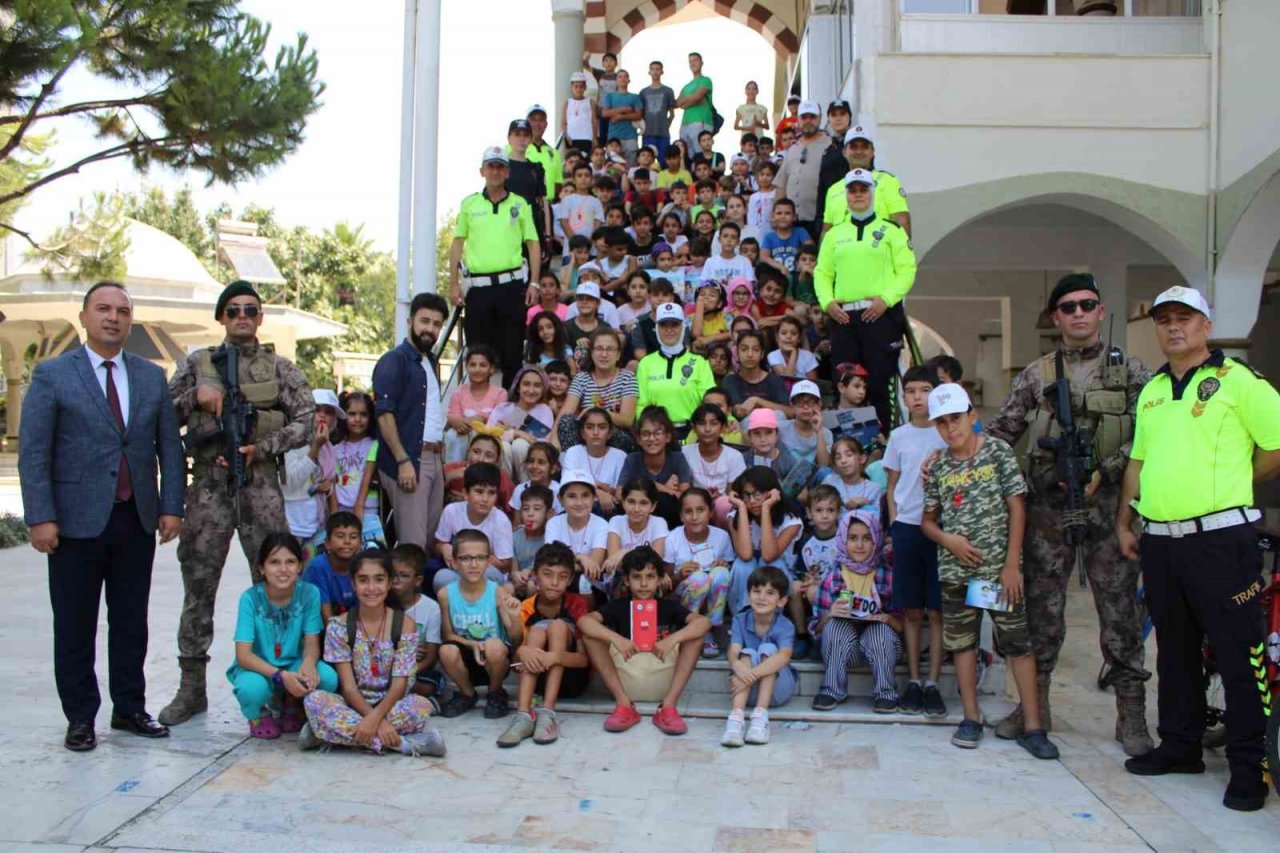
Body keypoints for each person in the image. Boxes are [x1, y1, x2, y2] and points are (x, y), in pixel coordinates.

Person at [1116, 286, 1280, 812]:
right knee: (1176, 651)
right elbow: (1138, 462)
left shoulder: (1241, 383)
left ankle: (1249, 768)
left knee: (1240, 655)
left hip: (1222, 542)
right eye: (1163, 320)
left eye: (1184, 318)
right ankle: (1180, 747)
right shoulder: (1153, 391)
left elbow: (1275, 446)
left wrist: (1234, 486)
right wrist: (1125, 519)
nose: (1173, 328)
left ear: (1206, 326)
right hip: (1162, 541)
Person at [985, 273, 1153, 756]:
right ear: (1056, 317)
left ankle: (1131, 716)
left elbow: (1148, 436)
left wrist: (1108, 470)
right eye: (1069, 307)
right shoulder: (1037, 375)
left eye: (1087, 305)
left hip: (1111, 510)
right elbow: (1003, 431)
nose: (1079, 313)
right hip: (1049, 510)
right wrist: (961, 452)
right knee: (1042, 613)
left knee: (1119, 612)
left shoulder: (1134, 373)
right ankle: (1033, 710)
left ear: (1101, 311)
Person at [19, 280, 184, 751]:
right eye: (103, 309)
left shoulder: (151, 376)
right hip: (73, 522)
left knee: (132, 620)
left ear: (131, 320)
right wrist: (40, 517)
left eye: (122, 311)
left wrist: (172, 505)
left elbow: (168, 448)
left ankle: (130, 708)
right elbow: (33, 452)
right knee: (75, 622)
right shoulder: (53, 375)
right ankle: (80, 717)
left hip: (135, 518)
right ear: (85, 317)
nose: (113, 317)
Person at [161, 280, 314, 727]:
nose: (242, 316)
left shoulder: (280, 368)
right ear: (222, 317)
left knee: (278, 587)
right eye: (233, 310)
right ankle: (192, 689)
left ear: (260, 317)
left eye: (250, 309)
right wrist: (198, 398)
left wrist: (265, 446)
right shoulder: (197, 364)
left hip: (260, 484)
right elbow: (164, 414)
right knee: (199, 587)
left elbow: (307, 420)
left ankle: (278, 686)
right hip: (209, 486)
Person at [921, 383, 1058, 759]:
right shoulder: (938, 466)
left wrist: (1012, 564)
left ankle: (1033, 725)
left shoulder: (998, 453)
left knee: (1017, 644)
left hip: (996, 574)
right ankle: (971, 716)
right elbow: (928, 522)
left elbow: (1017, 508)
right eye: (943, 423)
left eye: (956, 419)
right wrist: (948, 540)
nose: (951, 428)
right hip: (955, 573)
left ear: (972, 416)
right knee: (962, 645)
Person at [301, 549, 445, 757]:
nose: (371, 588)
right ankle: (404, 744)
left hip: (392, 703)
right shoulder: (339, 626)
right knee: (315, 701)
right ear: (353, 584)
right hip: (353, 704)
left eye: (379, 579)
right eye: (363, 580)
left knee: (420, 706)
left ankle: (326, 735)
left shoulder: (405, 624)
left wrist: (376, 718)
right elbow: (349, 688)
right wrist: (376, 722)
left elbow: (399, 686)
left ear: (388, 583)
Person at [814, 169, 917, 434]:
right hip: (844, 318)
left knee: (881, 382)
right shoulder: (835, 234)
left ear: (872, 193)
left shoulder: (891, 230)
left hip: (881, 315)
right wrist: (828, 303)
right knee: (846, 382)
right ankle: (849, 445)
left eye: (863, 190)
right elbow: (822, 272)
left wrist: (886, 300)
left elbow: (907, 269)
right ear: (846, 195)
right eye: (853, 190)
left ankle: (884, 442)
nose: (858, 195)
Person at [578, 546, 711, 735]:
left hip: (664, 682)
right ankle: (624, 705)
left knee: (695, 635)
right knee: (591, 636)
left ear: (659, 579)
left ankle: (668, 707)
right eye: (636, 577)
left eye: (650, 577)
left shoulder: (668, 607)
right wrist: (616, 639)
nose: (643, 584)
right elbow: (584, 621)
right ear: (626, 580)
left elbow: (703, 622)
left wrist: (672, 639)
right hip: (625, 681)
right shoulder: (618, 607)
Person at [882, 366, 948, 717]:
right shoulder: (899, 436)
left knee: (936, 609)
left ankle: (934, 683)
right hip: (907, 526)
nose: (918, 397)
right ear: (904, 396)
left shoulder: (945, 434)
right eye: (912, 391)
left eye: (925, 390)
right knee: (911, 610)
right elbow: (892, 485)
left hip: (939, 528)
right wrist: (894, 523)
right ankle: (913, 680)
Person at [227, 533, 337, 739]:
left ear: (299, 567)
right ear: (262, 568)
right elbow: (244, 655)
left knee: (328, 678)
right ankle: (258, 713)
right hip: (258, 667)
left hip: (293, 663)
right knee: (251, 689)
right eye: (274, 562)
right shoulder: (250, 599)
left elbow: (312, 642)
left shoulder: (310, 593)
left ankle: (292, 702)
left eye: (290, 562)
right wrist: (280, 675)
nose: (283, 569)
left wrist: (309, 662)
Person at [448, 146, 541, 388]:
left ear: (507, 171)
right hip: (478, 288)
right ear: (482, 171)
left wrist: (534, 281)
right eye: (491, 166)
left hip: (511, 287)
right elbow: (457, 243)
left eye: (500, 166)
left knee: (512, 354)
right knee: (478, 353)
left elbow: (532, 244)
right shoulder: (469, 204)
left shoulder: (520, 204)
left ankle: (508, 411)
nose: (496, 171)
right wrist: (453, 284)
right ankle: (478, 410)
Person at [373, 292, 449, 550]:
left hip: (433, 458)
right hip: (409, 460)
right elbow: (384, 414)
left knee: (429, 542)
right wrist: (403, 461)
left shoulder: (430, 361)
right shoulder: (395, 360)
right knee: (412, 547)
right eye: (424, 321)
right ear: (410, 321)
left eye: (436, 324)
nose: (430, 329)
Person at [497, 543, 594, 747]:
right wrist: (522, 651)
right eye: (548, 574)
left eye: (562, 576)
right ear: (535, 575)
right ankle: (523, 715)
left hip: (571, 680)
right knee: (537, 632)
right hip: (536, 683)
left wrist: (555, 656)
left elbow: (585, 659)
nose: (554, 582)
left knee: (557, 626)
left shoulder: (576, 605)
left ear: (570, 580)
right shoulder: (526, 607)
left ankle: (548, 713)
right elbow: (516, 663)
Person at [808, 510, 903, 713]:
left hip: (881, 650)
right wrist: (831, 613)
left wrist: (886, 619)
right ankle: (831, 689)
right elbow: (816, 629)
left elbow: (904, 624)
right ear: (843, 540)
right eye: (853, 538)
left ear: (876, 540)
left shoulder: (888, 575)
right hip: (846, 651)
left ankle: (885, 692)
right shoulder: (834, 576)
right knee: (835, 626)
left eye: (867, 538)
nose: (859, 545)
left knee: (880, 632)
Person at [436, 530, 523, 719]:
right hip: (466, 659)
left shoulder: (497, 592)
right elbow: (447, 635)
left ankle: (495, 692)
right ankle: (467, 693)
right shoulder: (445, 594)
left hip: (495, 660)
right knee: (446, 651)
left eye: (480, 558)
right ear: (455, 561)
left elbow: (515, 638)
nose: (474, 564)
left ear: (489, 560)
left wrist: (516, 618)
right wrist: (473, 644)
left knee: (493, 646)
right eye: (466, 558)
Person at [721, 565, 796, 747]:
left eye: (770, 593)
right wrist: (737, 666)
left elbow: (784, 656)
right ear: (748, 595)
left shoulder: (785, 625)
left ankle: (760, 719)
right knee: (745, 654)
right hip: (749, 691)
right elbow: (733, 652)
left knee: (769, 650)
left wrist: (749, 676)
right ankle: (736, 720)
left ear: (781, 601)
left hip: (778, 691)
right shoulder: (740, 619)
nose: (762, 597)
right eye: (757, 591)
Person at [727, 467, 804, 620]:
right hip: (748, 577)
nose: (752, 501)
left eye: (757, 494)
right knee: (743, 565)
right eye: (746, 495)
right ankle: (742, 619)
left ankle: (770, 621)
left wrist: (766, 508)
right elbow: (745, 554)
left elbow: (769, 555)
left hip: (780, 573)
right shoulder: (735, 517)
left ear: (771, 493)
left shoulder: (791, 521)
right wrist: (741, 508)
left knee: (769, 563)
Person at [635, 303, 716, 437]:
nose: (669, 330)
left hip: (692, 433)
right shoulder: (645, 363)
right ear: (656, 328)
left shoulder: (699, 362)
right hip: (657, 436)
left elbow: (711, 400)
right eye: (663, 325)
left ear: (683, 327)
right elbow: (641, 405)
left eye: (674, 325)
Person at [433, 462, 515, 592]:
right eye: (479, 491)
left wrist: (474, 558)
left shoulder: (501, 520)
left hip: (486, 572)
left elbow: (505, 565)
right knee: (441, 578)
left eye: (491, 493)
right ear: (465, 493)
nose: (485, 498)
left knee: (489, 575)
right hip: (459, 572)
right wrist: (444, 548)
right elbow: (438, 545)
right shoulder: (451, 511)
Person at [556, 327, 638, 451]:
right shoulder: (582, 378)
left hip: (616, 438)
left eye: (610, 349)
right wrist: (553, 446)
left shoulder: (627, 377)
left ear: (618, 355)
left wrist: (595, 412)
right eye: (599, 349)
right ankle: (577, 463)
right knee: (567, 421)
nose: (604, 354)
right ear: (592, 353)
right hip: (587, 438)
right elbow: (565, 414)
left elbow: (627, 420)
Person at [821, 126, 911, 238]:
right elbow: (826, 232)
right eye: (853, 147)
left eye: (864, 147)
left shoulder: (888, 181)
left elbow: (901, 223)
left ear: (873, 152)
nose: (859, 151)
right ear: (844, 152)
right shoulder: (833, 190)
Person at [772, 102, 845, 237]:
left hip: (821, 222)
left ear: (820, 118)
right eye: (804, 117)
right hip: (792, 224)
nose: (808, 121)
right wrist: (776, 217)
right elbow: (781, 185)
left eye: (812, 117)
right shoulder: (792, 149)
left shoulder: (832, 147)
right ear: (798, 120)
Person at [282, 390, 340, 558]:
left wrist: (327, 487)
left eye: (328, 412)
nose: (322, 416)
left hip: (317, 525)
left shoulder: (328, 448)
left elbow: (329, 482)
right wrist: (314, 449)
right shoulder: (293, 441)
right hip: (293, 524)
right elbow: (289, 483)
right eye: (317, 409)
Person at [389, 544, 443, 702]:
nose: (396, 580)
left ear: (418, 580)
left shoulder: (431, 608)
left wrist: (406, 672)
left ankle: (398, 692)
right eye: (393, 575)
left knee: (431, 683)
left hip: (416, 669)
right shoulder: (383, 603)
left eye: (404, 575)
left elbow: (430, 658)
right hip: (387, 666)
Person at [331, 392, 383, 546]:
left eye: (363, 414)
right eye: (352, 414)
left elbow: (367, 476)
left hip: (366, 509)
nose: (358, 419)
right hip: (341, 507)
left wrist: (359, 506)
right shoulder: (336, 448)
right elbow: (332, 480)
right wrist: (333, 511)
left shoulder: (374, 445)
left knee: (368, 549)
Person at [487, 366, 556, 480]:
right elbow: (489, 435)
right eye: (526, 384)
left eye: (537, 385)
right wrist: (516, 433)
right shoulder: (503, 408)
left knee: (520, 445)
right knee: (503, 446)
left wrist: (510, 432)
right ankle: (505, 488)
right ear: (518, 387)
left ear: (543, 389)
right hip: (502, 464)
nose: (531, 390)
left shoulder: (544, 410)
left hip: (531, 466)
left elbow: (539, 441)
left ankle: (527, 488)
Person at [445, 344, 507, 463]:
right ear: (466, 367)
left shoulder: (500, 393)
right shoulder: (459, 392)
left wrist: (477, 419)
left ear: (491, 369)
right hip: (464, 435)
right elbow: (454, 419)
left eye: (483, 365)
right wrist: (476, 419)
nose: (477, 369)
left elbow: (498, 421)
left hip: (489, 438)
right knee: (453, 435)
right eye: (472, 365)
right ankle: (454, 472)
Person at [303, 511, 363, 621]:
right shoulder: (318, 566)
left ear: (360, 544)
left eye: (353, 537)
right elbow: (326, 615)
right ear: (327, 543)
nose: (347, 541)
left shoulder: (363, 567)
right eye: (340, 536)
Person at [505, 118, 551, 248]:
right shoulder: (500, 166)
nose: (522, 139)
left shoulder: (536, 168)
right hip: (506, 226)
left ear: (530, 139)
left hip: (531, 226)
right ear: (509, 138)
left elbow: (543, 202)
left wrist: (547, 235)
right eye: (517, 134)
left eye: (525, 135)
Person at [675, 52, 714, 157]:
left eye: (695, 60)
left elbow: (697, 97)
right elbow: (678, 103)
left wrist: (686, 101)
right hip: (685, 123)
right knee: (686, 155)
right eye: (690, 61)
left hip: (701, 121)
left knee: (701, 154)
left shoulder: (705, 80)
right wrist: (691, 99)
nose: (693, 63)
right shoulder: (686, 86)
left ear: (701, 63)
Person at [601, 69, 644, 165]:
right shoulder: (610, 96)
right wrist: (624, 109)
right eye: (620, 77)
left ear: (629, 80)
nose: (622, 79)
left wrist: (621, 117)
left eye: (625, 76)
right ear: (616, 80)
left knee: (631, 166)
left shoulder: (635, 97)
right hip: (613, 137)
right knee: (613, 167)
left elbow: (638, 115)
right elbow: (604, 113)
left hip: (630, 137)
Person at [521, 104, 564, 198]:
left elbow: (558, 184)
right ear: (526, 122)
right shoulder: (514, 149)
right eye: (533, 120)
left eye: (541, 120)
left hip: (547, 207)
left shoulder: (554, 153)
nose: (537, 124)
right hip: (522, 206)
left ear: (546, 124)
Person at [639, 60, 677, 161]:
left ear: (662, 72)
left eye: (657, 69)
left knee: (664, 161)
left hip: (663, 134)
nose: (655, 72)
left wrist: (666, 125)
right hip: (648, 133)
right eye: (653, 69)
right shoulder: (643, 92)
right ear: (649, 72)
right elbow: (640, 114)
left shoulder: (668, 91)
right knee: (647, 161)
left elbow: (672, 113)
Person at [562, 71, 597, 153]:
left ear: (585, 87)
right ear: (572, 87)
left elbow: (594, 121)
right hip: (572, 138)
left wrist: (594, 137)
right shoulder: (567, 102)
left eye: (581, 87)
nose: (578, 89)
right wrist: (566, 135)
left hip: (586, 137)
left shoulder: (590, 101)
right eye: (576, 87)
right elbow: (563, 122)